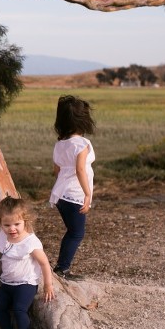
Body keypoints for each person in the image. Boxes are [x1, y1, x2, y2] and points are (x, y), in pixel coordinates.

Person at [0, 196, 55, 329]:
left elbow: (44, 263)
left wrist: (48, 285)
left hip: (26, 284)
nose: (12, 229)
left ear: (25, 221)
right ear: (1, 223)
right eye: (7, 225)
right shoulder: (2, 236)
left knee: (20, 309)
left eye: (17, 224)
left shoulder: (30, 242)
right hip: (7, 283)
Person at [49, 95, 96, 281]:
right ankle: (62, 269)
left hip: (60, 194)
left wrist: (62, 185)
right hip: (75, 194)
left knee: (72, 231)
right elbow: (80, 169)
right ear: (84, 120)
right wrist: (87, 194)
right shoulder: (82, 144)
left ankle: (62, 267)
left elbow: (57, 170)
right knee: (76, 233)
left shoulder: (60, 144)